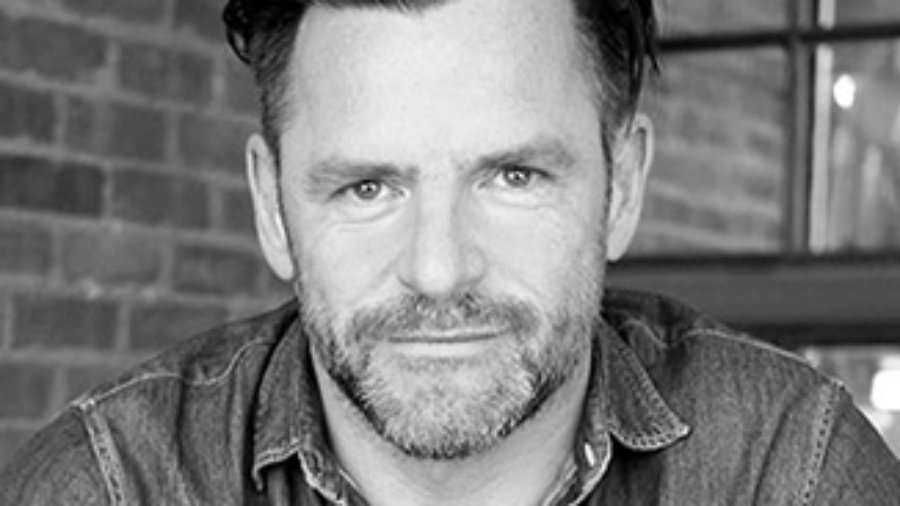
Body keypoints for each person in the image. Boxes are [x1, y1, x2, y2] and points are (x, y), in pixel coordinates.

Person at [2, 0, 899, 503]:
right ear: (272, 207)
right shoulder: (112, 487)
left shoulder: (793, 471)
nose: (437, 270)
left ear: (621, 185)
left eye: (513, 176)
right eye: (367, 187)